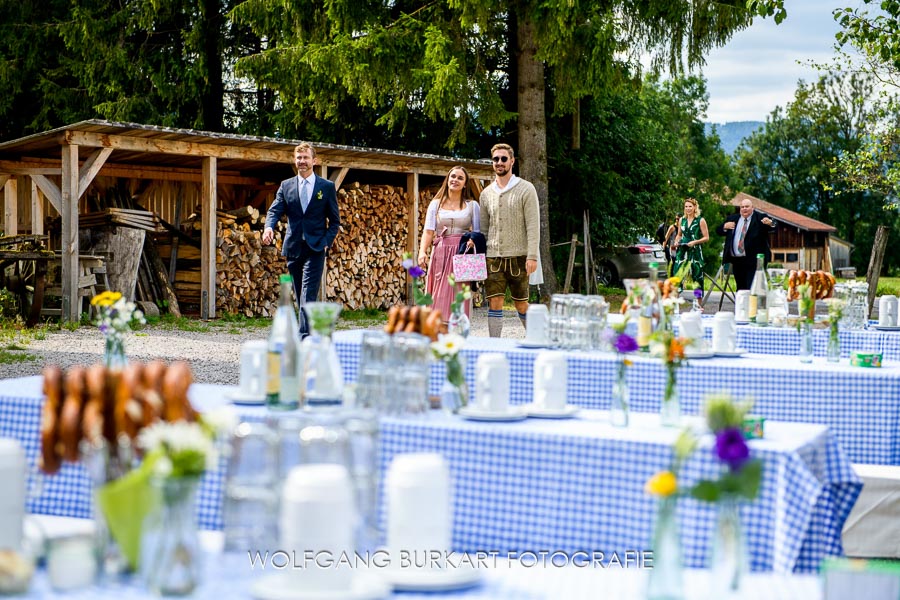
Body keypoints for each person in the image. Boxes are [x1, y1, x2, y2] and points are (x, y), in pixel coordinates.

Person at [262, 143, 341, 337]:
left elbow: (335, 222)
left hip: (315, 248)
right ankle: (310, 331)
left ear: (314, 160)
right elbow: (275, 210)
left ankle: (303, 335)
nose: (302, 161)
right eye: (298, 158)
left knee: (308, 292)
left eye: (305, 158)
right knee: (299, 293)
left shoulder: (326, 187)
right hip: (293, 246)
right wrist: (269, 227)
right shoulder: (286, 185)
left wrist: (325, 242)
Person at [479, 143, 540, 338]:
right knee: (494, 302)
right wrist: (482, 257)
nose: (499, 162)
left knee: (521, 303)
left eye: (503, 159)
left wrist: (532, 256)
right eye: (495, 159)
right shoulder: (486, 193)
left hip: (520, 257)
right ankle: (494, 344)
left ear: (512, 161)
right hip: (493, 257)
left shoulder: (526, 189)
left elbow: (533, 225)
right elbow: (484, 229)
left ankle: (536, 339)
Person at [417, 166, 480, 321]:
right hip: (441, 251)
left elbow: (478, 231)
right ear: (448, 179)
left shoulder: (472, 206)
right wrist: (422, 252)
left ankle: (458, 331)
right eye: (453, 176)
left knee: (460, 294)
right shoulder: (435, 204)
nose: (455, 180)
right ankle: (436, 328)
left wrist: (473, 240)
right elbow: (429, 231)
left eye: (460, 178)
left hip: (463, 252)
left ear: (465, 184)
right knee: (438, 293)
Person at [716, 196, 776, 290]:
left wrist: (770, 223)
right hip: (737, 260)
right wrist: (724, 226)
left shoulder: (759, 218)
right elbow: (718, 231)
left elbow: (774, 226)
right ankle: (742, 304)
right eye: (742, 207)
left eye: (747, 206)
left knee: (751, 287)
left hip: (754, 261)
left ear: (753, 208)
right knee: (741, 288)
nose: (744, 209)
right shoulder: (733, 218)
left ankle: (751, 304)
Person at [673, 198, 709, 290]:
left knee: (697, 278)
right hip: (682, 250)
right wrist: (676, 241)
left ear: (695, 207)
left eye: (690, 206)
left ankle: (699, 303)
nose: (688, 208)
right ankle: (675, 302)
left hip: (695, 251)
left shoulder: (700, 220)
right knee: (677, 275)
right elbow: (679, 235)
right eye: (686, 207)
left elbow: (706, 237)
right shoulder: (682, 220)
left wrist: (695, 242)